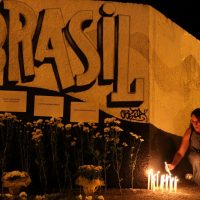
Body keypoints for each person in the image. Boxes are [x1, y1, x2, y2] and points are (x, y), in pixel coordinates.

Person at [167, 108, 200, 185]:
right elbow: (180, 153)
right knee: (197, 158)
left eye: (197, 122)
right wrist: (173, 165)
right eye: (192, 121)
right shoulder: (190, 132)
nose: (194, 124)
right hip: (195, 156)